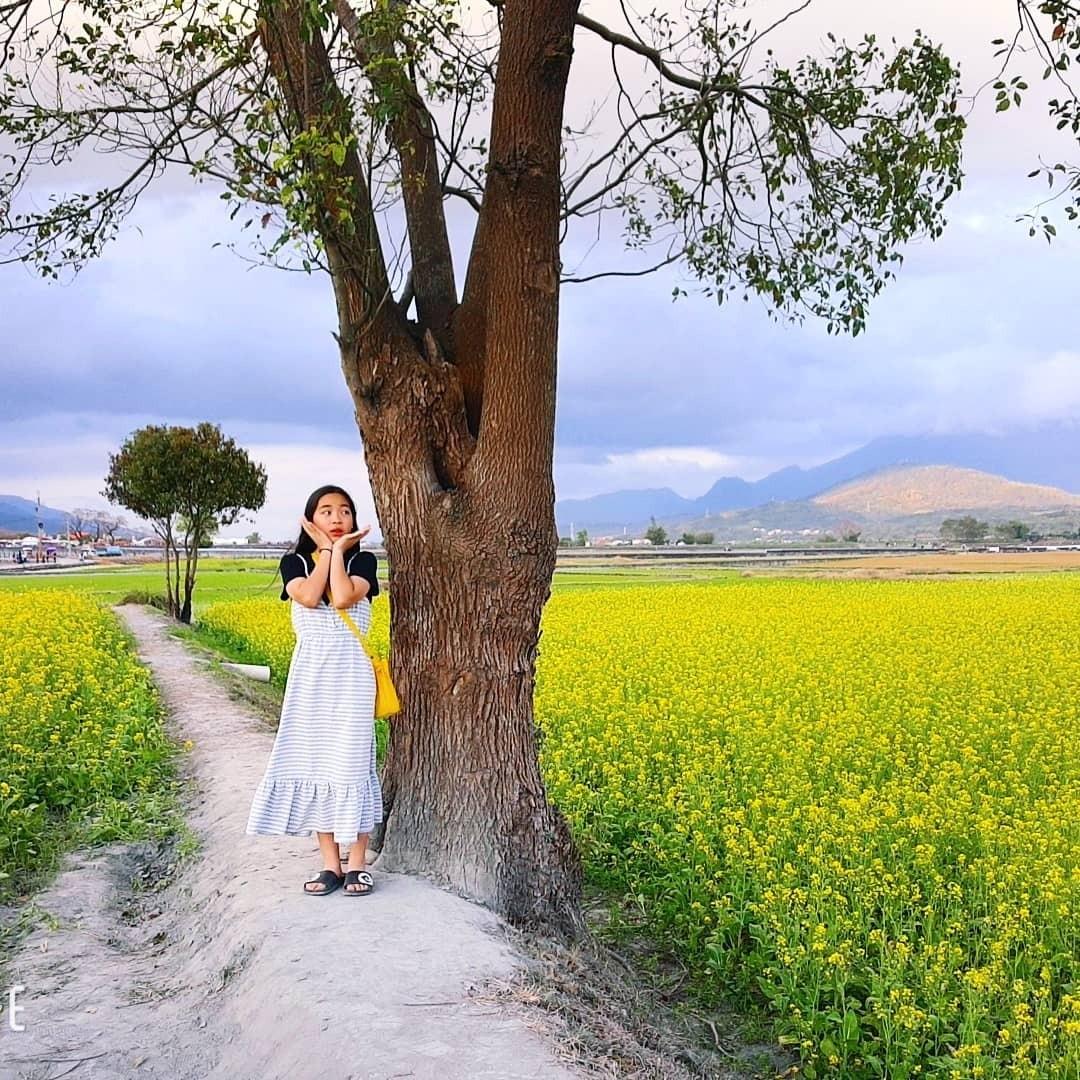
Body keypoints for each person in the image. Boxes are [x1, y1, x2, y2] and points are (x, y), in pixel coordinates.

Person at [245, 485, 382, 896]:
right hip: (310, 679)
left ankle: (357, 863)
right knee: (315, 764)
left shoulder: (363, 561)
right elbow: (307, 596)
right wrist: (324, 550)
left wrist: (337, 552)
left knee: (353, 765)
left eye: (345, 511)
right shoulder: (294, 563)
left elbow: (341, 597)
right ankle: (329, 865)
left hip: (352, 677)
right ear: (310, 520)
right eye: (326, 511)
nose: (337, 518)